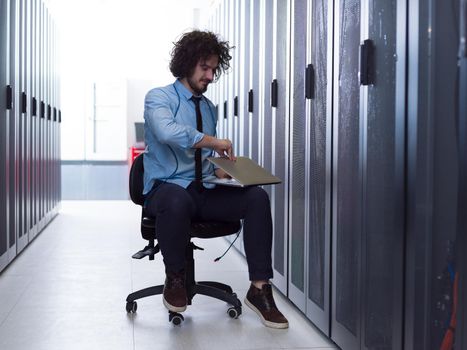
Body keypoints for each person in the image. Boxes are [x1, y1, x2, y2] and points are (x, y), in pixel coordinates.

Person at [143, 30, 288, 329]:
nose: (210, 76)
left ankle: (260, 289)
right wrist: (212, 141)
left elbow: (203, 160)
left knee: (256, 197)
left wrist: (225, 172)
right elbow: (166, 132)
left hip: (202, 191)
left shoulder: (208, 108)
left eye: (213, 69)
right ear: (187, 63)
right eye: (204, 68)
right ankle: (176, 277)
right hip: (166, 190)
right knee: (176, 197)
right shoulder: (159, 97)